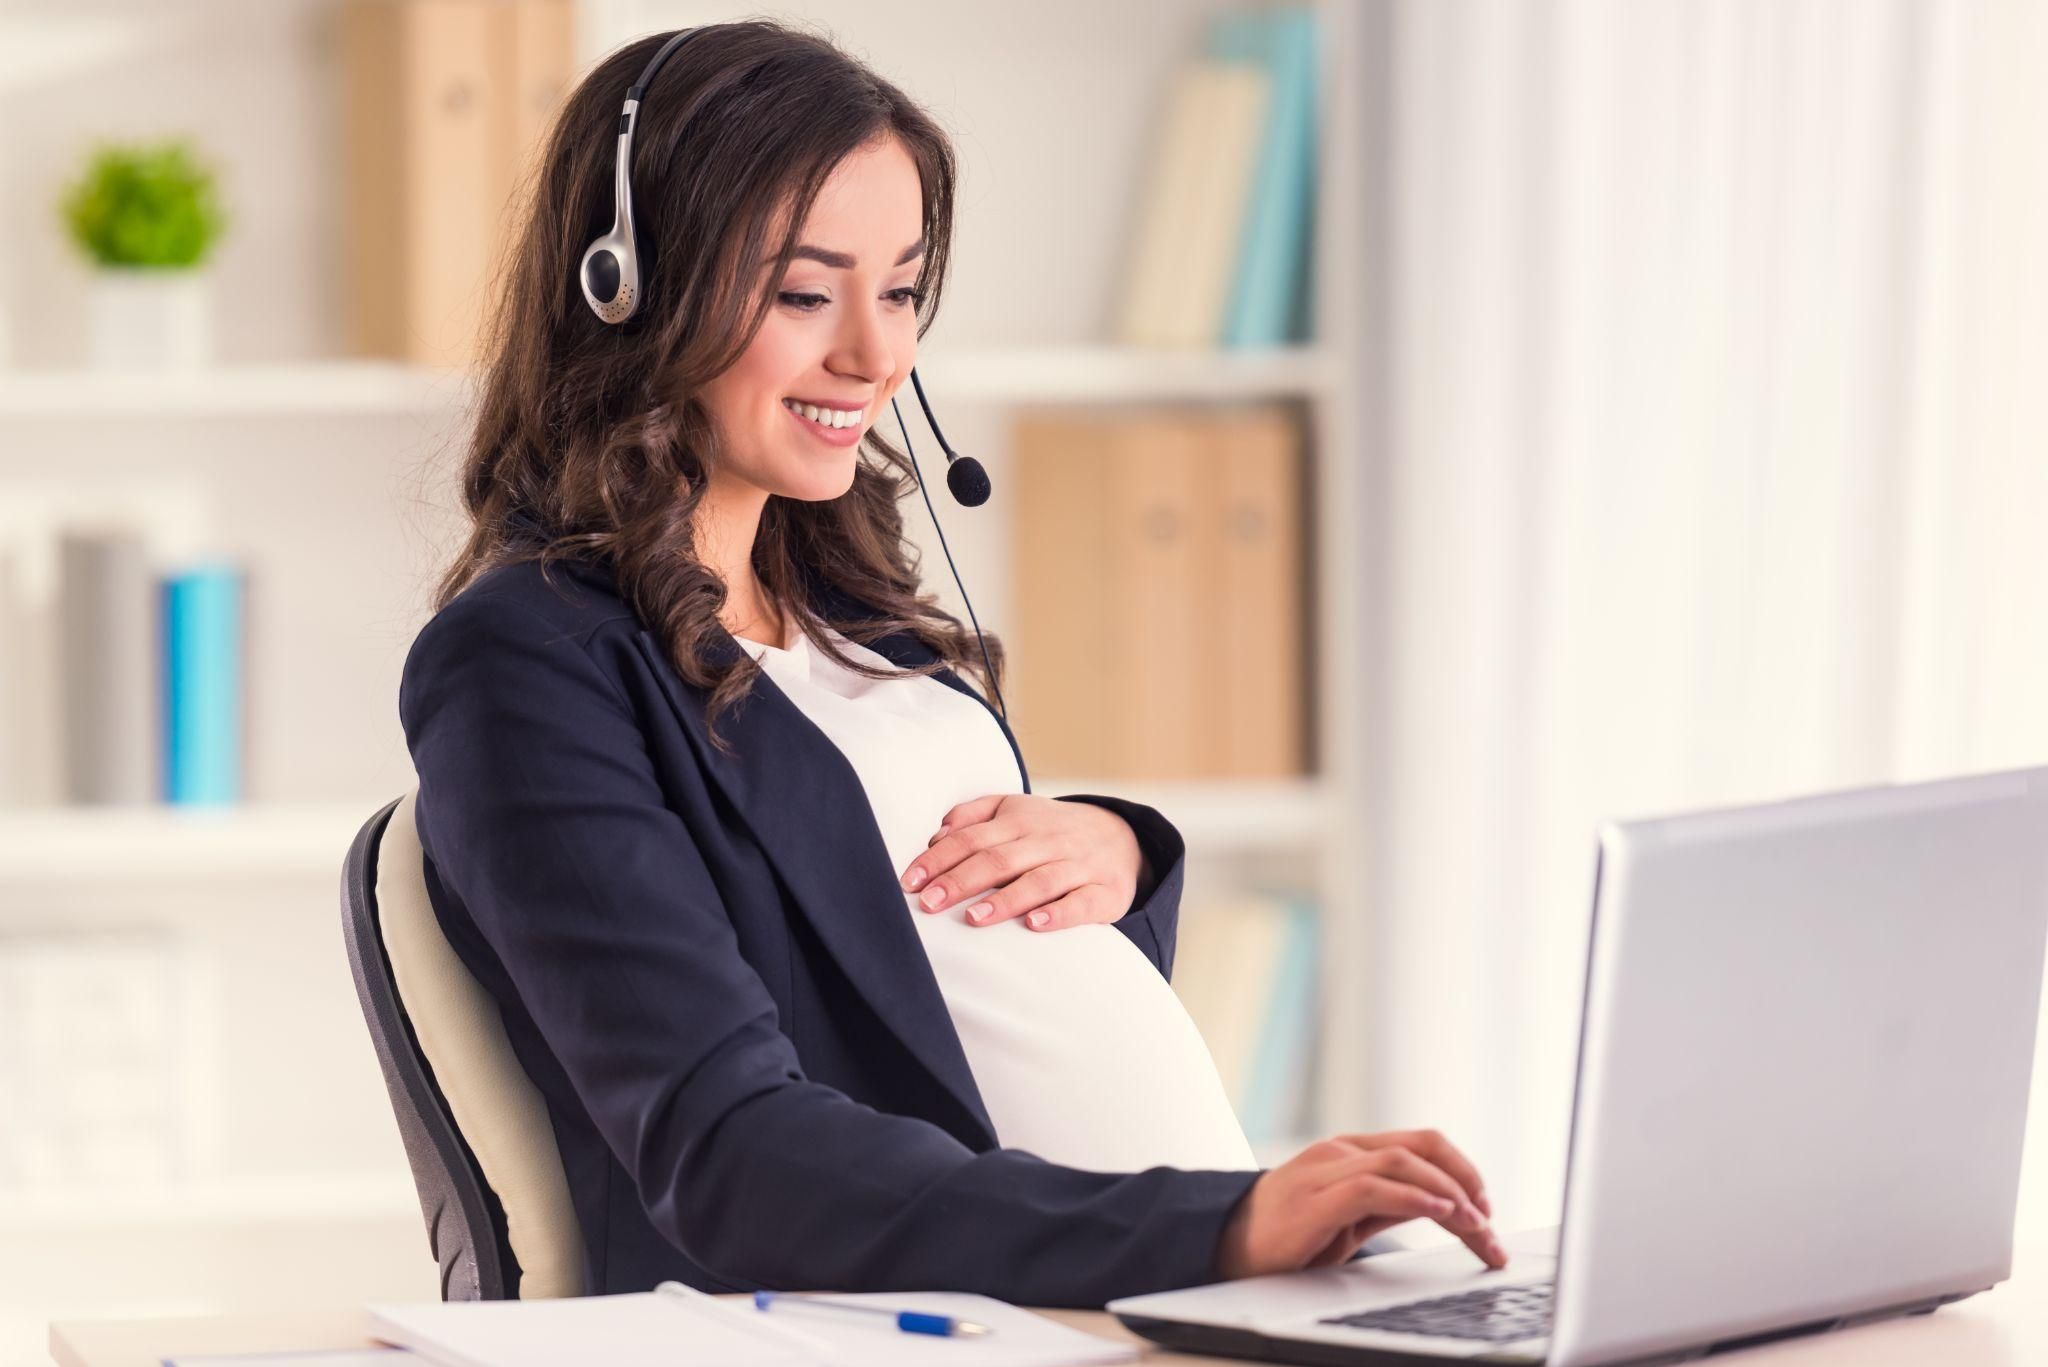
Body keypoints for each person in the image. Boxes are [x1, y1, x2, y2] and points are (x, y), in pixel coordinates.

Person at [398, 19, 1507, 1308]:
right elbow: (733, 1154)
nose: (876, 356)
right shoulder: (526, 663)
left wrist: (1118, 850)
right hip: (979, 1314)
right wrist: (1219, 1227)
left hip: (1171, 1291)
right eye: (806, 294)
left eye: (904, 289)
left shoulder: (852, 608)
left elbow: (957, 972)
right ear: (626, 288)